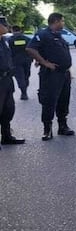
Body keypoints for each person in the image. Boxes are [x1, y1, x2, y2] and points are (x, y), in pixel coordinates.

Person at [26, 13, 76, 141]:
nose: (63, 23)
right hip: (51, 75)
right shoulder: (43, 34)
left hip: (64, 74)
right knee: (49, 101)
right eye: (62, 21)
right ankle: (47, 129)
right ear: (56, 21)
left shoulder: (58, 36)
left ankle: (62, 126)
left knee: (64, 100)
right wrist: (44, 62)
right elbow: (31, 49)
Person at [0, 16, 25, 149]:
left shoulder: (4, 40)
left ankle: (6, 136)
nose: (7, 26)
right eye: (4, 24)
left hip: (7, 79)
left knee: (8, 109)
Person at [9, 25, 32, 100]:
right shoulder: (27, 39)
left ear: (12, 30)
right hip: (27, 60)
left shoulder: (10, 40)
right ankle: (24, 90)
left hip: (16, 62)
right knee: (26, 76)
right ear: (20, 30)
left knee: (20, 77)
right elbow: (31, 49)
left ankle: (24, 93)